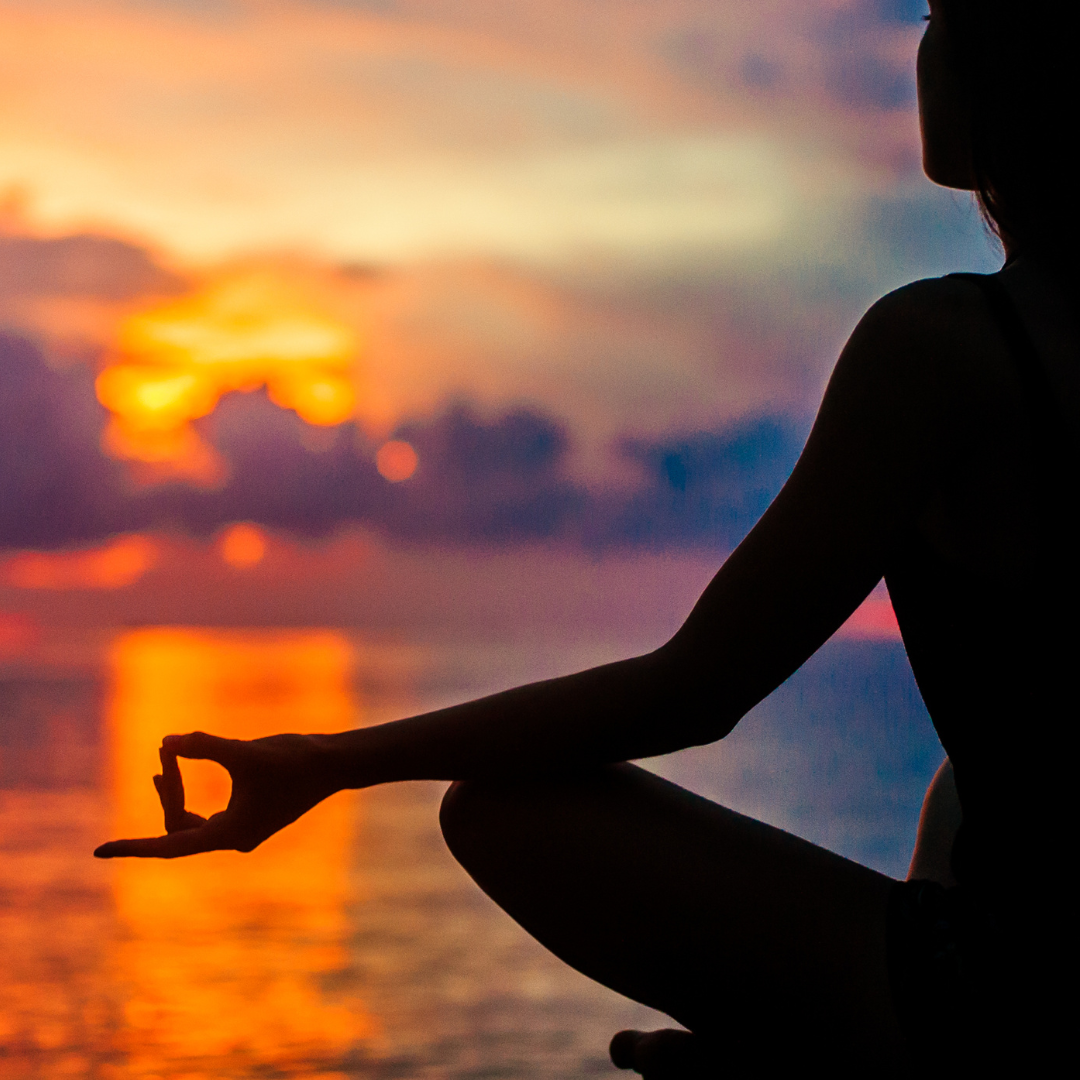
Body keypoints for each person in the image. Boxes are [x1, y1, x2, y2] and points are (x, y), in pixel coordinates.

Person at [95, 2, 1076, 1074]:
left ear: (1014, 61)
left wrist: (330, 764)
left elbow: (696, 690)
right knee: (955, 789)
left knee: (507, 812)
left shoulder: (946, 349)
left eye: (937, 14)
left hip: (1015, 997)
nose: (918, 48)